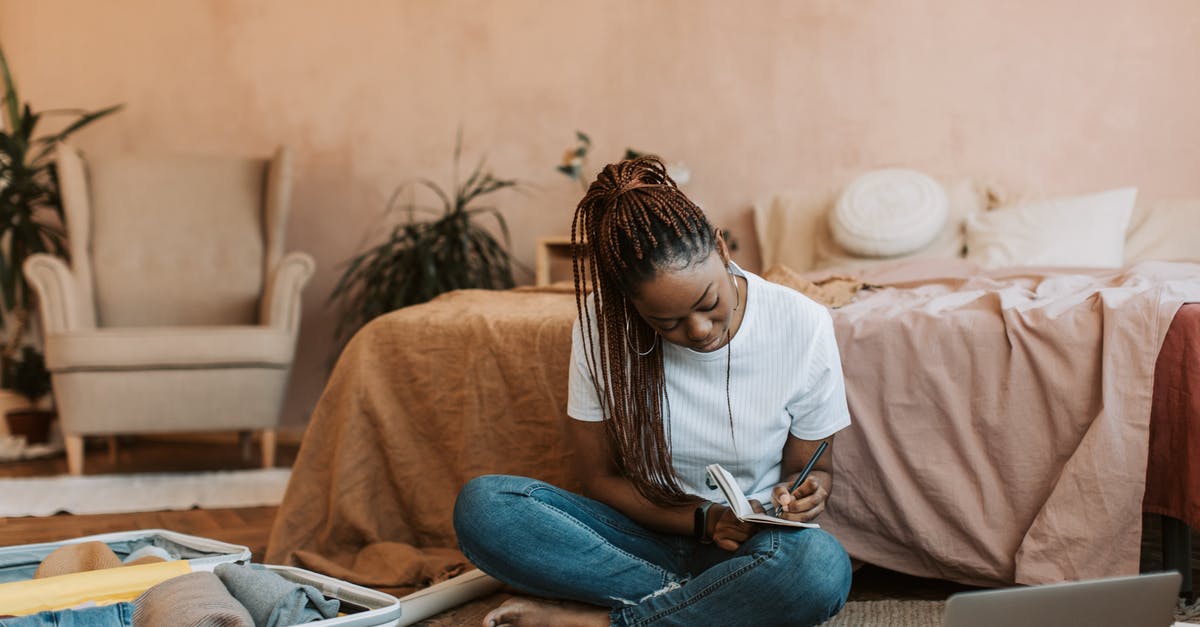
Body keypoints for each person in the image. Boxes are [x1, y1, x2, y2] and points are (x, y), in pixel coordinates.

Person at [453, 156, 853, 627]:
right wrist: (705, 519)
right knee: (485, 508)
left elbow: (815, 469)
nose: (700, 330)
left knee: (818, 568)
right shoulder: (602, 326)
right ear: (631, 305)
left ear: (722, 251)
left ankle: (605, 621)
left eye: (709, 303)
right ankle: (708, 606)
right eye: (667, 323)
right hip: (637, 538)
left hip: (752, 545)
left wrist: (805, 494)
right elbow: (598, 479)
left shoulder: (802, 323)